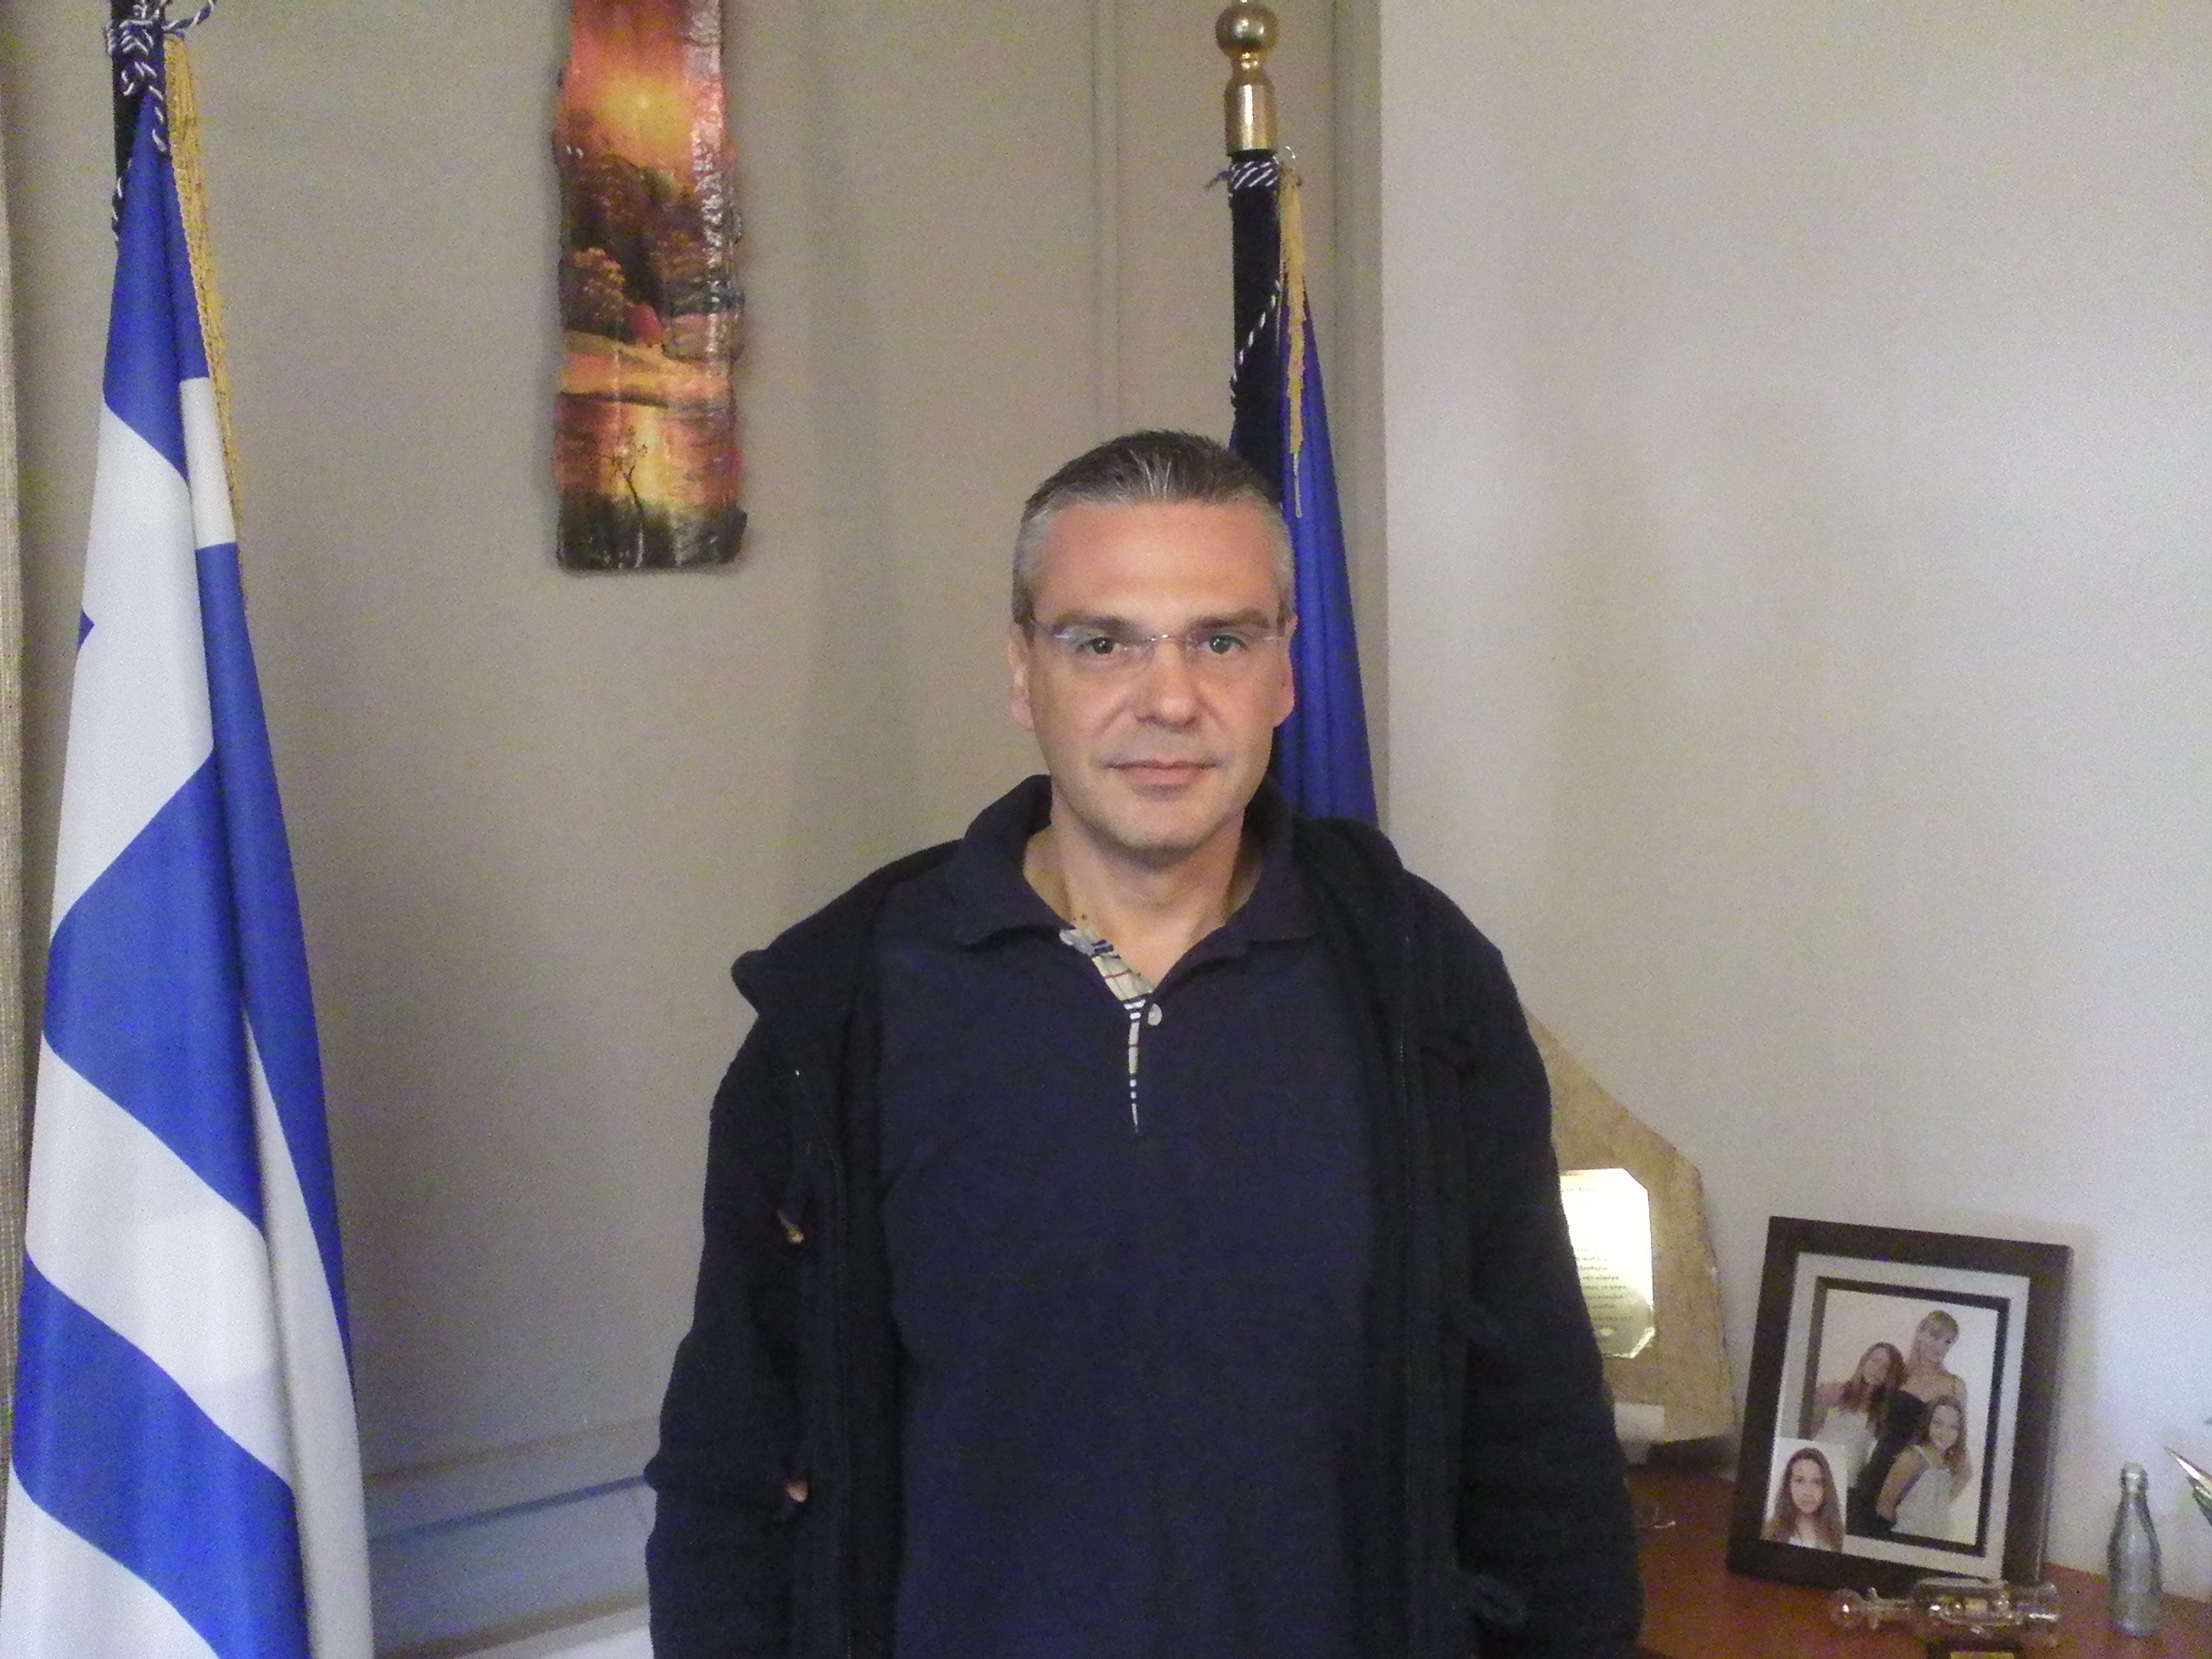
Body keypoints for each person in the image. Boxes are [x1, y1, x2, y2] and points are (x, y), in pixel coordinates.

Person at [642, 431, 1642, 1659]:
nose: (1168, 699)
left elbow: (1539, 1445)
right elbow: (728, 1471)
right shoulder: (843, 1005)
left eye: (1220, 640)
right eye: (1101, 642)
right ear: (1023, 672)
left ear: (1284, 673)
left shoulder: (1417, 982)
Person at [1847, 1309, 1968, 1536]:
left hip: (1913, 1483)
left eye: (1948, 1341)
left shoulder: (1954, 1386)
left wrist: (1934, 1501)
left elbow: (1961, 1455)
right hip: (1875, 1474)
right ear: (1920, 1333)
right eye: (1935, 1336)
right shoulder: (1901, 1375)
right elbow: (1864, 1406)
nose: (1940, 1346)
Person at [1803, 1340, 1904, 1481]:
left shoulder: (1884, 1412)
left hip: (1848, 1481)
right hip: (1815, 1471)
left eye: (1885, 1368)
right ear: (1864, 1361)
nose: (1877, 1369)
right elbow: (1808, 1432)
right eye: (1874, 1361)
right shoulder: (1836, 1392)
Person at [1877, 1397, 1975, 1540]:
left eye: (1953, 1427)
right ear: (1928, 1423)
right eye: (1938, 1424)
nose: (1944, 1433)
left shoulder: (1953, 1465)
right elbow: (1884, 1506)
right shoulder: (1912, 1457)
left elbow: (1942, 1505)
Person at [1761, 1446, 1845, 1551]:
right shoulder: (1770, 1532)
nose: (1807, 1492)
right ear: (1788, 1485)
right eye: (1799, 1481)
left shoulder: (1837, 1535)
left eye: (1817, 1482)